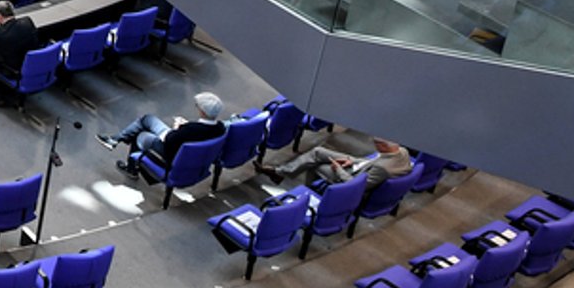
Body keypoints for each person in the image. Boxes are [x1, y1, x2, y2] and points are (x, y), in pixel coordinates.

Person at [100, 92, 229, 177]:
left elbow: (170, 140)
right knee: (148, 119)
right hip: (186, 150)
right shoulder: (220, 128)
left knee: (141, 134)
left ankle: (130, 167)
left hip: (172, 151)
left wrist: (177, 127)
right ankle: (116, 139)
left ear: (203, 112)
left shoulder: (190, 129)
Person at [260, 136, 416, 189]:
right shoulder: (401, 151)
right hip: (358, 166)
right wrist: (352, 161)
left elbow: (356, 185)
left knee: (316, 166)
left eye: (376, 144)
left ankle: (309, 193)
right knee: (318, 152)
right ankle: (280, 173)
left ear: (382, 146)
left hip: (352, 177)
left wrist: (338, 169)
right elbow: (374, 161)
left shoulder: (383, 169)